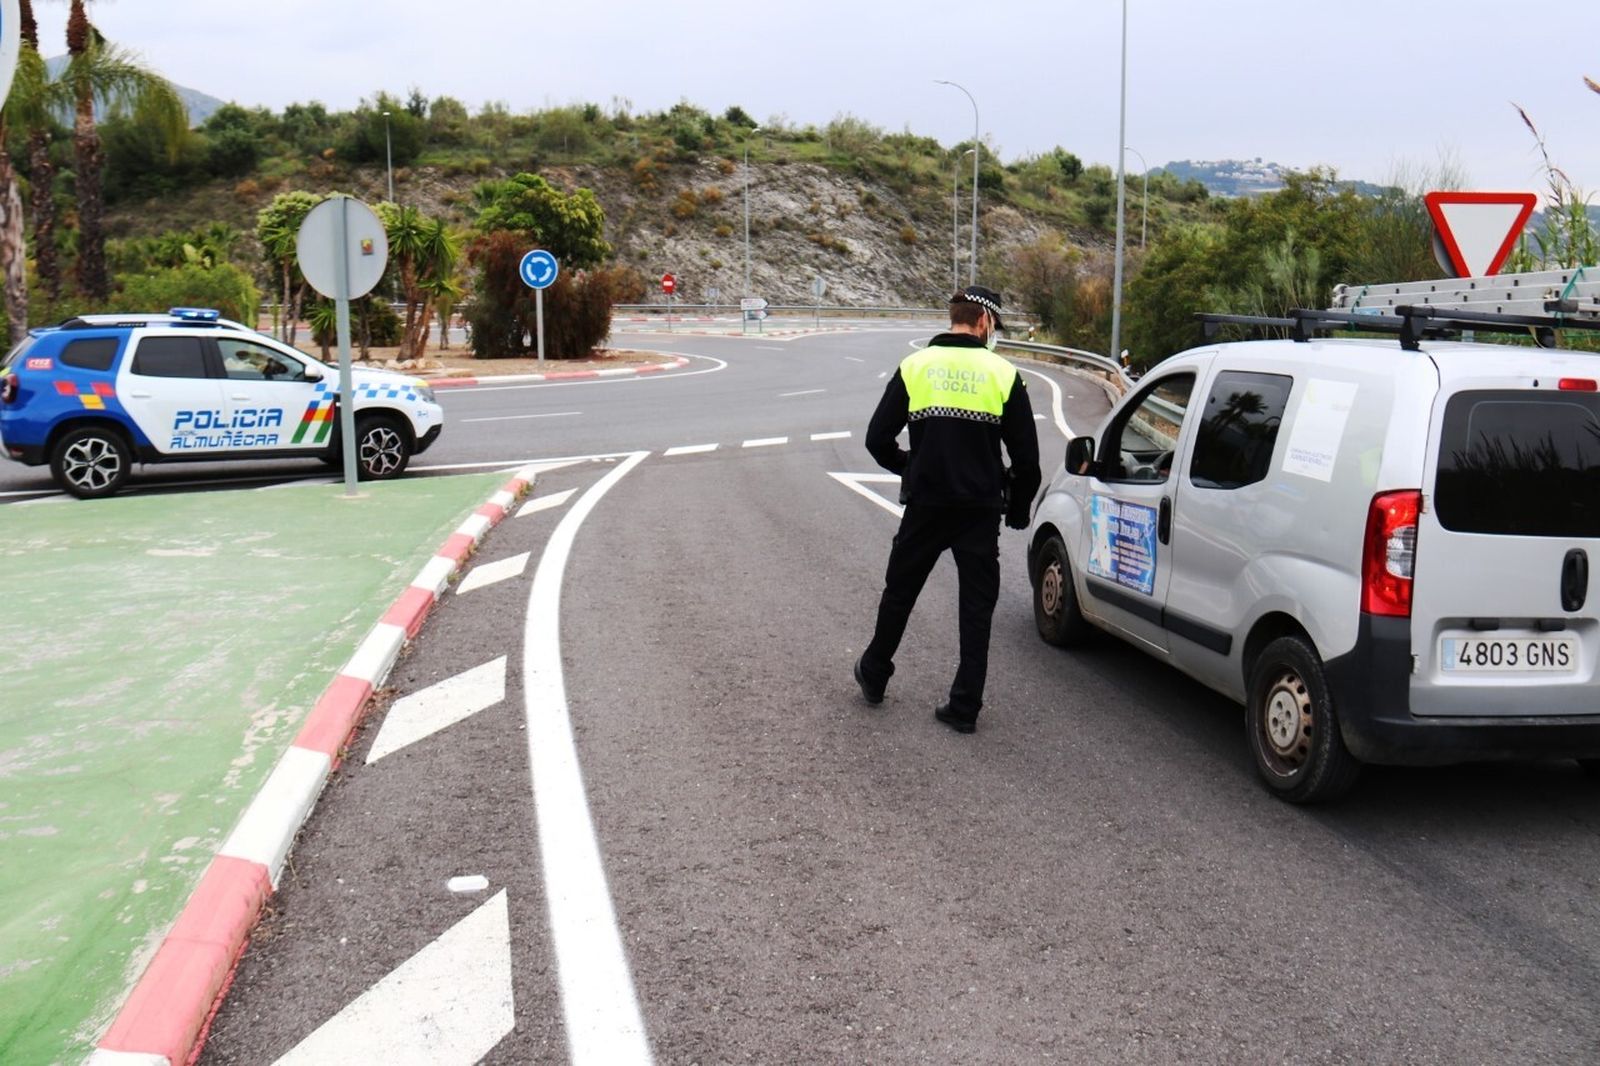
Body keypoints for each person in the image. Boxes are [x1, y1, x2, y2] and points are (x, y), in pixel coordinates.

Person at [854, 285, 1041, 734]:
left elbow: (877, 440)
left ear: (954, 317)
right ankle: (965, 705)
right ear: (984, 322)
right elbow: (1028, 461)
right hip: (978, 511)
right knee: (976, 608)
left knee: (899, 592)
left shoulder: (915, 366)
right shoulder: (1004, 374)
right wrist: (1017, 508)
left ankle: (875, 673)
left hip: (926, 505)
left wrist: (910, 466)